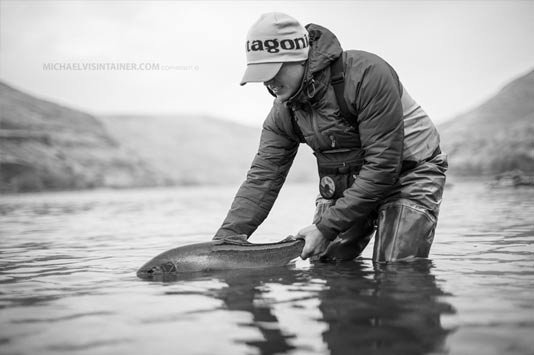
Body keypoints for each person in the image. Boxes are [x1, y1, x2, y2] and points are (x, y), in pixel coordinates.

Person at [213, 12, 448, 263]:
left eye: (273, 71)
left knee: (396, 270)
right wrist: (224, 243)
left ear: (299, 57)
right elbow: (262, 179)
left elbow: (383, 167)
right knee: (325, 265)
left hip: (409, 174)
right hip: (346, 181)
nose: (269, 83)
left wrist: (326, 228)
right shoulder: (282, 112)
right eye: (261, 74)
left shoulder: (367, 75)